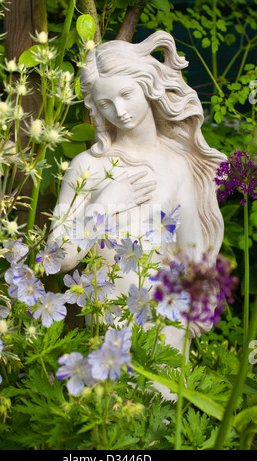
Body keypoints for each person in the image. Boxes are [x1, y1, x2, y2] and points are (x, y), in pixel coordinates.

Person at [51, 31, 227, 364]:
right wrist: (103, 205)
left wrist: (200, 306)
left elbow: (192, 252)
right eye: (105, 104)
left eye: (126, 94)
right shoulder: (87, 166)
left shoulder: (178, 165)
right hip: (109, 318)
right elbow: (60, 260)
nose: (119, 110)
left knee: (162, 411)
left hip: (166, 316)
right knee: (116, 411)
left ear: (147, 87)